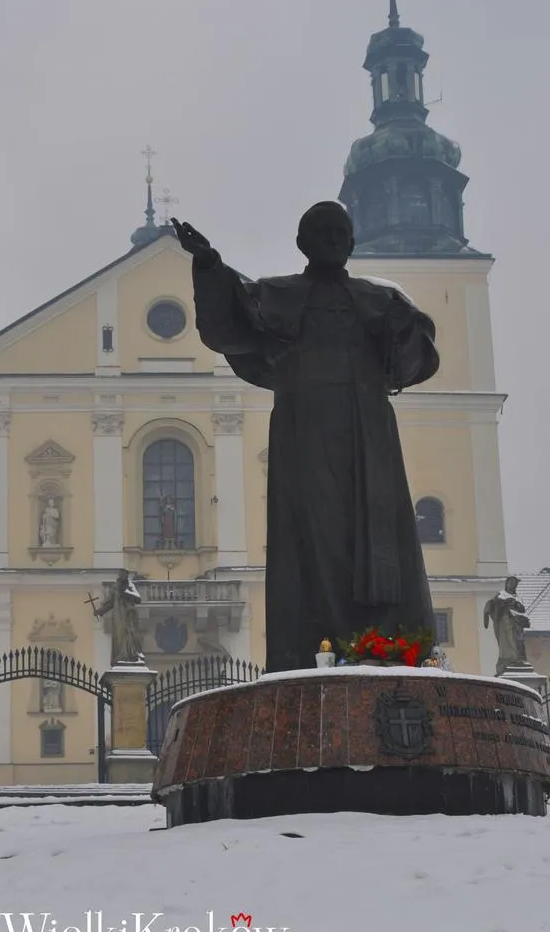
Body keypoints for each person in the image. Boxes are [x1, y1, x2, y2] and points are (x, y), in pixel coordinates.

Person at [173, 203, 439, 671]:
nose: (333, 239)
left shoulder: (381, 299)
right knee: (315, 534)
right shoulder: (277, 295)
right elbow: (229, 322)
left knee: (379, 532)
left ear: (352, 243)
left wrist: (405, 331)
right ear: (302, 243)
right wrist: (210, 265)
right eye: (322, 232)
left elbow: (416, 357)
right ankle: (323, 644)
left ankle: (388, 646)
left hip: (369, 431)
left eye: (340, 232)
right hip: (306, 430)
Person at [483, 576, 531, 674]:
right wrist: (505, 603)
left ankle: (518, 658)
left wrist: (517, 605)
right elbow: (494, 605)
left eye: (515, 584)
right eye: (511, 583)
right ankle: (509, 658)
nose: (513, 585)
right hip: (505, 622)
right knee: (508, 640)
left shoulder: (518, 598)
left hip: (518, 624)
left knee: (518, 641)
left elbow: (522, 610)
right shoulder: (501, 595)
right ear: (507, 584)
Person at [95, 569, 143, 665]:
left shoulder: (130, 585)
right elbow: (110, 603)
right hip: (118, 615)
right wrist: (100, 611)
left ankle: (131, 654)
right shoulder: (115, 587)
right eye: (122, 574)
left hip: (129, 615)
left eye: (125, 574)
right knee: (119, 634)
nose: (123, 576)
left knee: (130, 633)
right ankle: (121, 655)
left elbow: (138, 598)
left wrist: (124, 592)